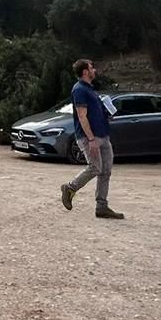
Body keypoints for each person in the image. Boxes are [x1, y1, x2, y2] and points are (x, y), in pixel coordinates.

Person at [60, 58, 124, 220]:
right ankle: (70, 188)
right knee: (95, 167)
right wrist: (91, 139)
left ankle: (101, 207)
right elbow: (82, 116)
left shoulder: (90, 89)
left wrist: (107, 116)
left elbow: (94, 113)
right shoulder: (79, 89)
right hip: (91, 137)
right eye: (91, 68)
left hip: (103, 135)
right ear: (85, 72)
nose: (94, 70)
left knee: (105, 171)